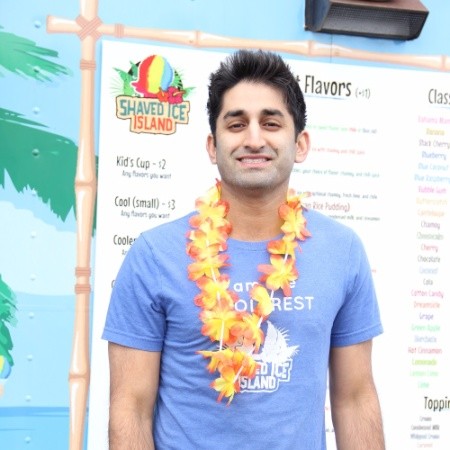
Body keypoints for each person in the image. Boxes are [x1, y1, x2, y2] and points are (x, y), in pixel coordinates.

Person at [103, 49, 385, 449]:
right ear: (212, 145)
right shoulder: (153, 255)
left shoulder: (342, 252)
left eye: (271, 123)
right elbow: (130, 408)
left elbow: (355, 399)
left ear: (300, 144)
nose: (254, 139)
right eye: (236, 124)